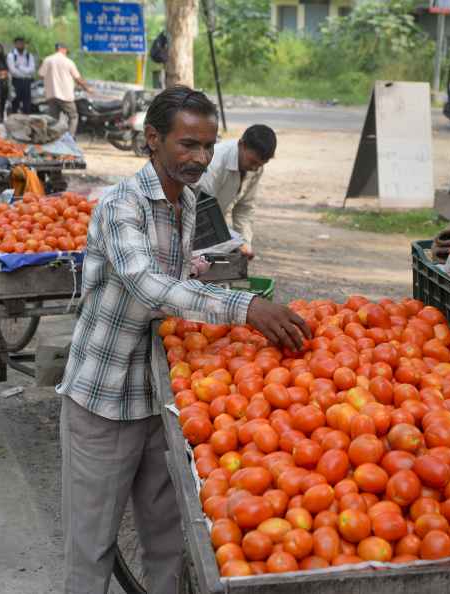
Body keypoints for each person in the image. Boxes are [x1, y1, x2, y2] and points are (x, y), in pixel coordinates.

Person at [56, 86, 309, 594]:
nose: (199, 158)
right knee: (93, 546)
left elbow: (173, 275)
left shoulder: (188, 200)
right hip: (105, 397)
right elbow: (148, 286)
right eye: (187, 145)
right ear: (153, 139)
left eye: (208, 146)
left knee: (169, 537)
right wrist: (244, 307)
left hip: (161, 396)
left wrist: (210, 267)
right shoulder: (121, 205)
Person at [193, 124, 277, 258]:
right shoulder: (214, 161)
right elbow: (203, 211)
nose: (255, 169)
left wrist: (245, 244)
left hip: (213, 225)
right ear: (241, 144)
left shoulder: (255, 168)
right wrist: (234, 243)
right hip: (192, 222)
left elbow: (244, 208)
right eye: (252, 161)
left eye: (260, 165)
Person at [38, 42, 91, 137]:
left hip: (52, 95)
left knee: (53, 119)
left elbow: (41, 75)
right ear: (63, 49)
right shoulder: (69, 62)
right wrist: (87, 89)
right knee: (73, 116)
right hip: (65, 96)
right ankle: (70, 138)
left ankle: (53, 139)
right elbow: (78, 79)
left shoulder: (47, 60)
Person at [7, 36, 36, 115]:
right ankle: (14, 120)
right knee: (15, 102)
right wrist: (25, 71)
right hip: (16, 82)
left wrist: (19, 67)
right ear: (15, 44)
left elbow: (32, 70)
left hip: (27, 82)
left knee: (27, 103)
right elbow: (13, 71)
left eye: (22, 43)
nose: (20, 45)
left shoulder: (29, 56)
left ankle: (26, 120)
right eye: (18, 43)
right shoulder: (11, 55)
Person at [0, 42, 10, 123]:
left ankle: (1, 116)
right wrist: (0, 73)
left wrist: (4, 74)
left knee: (3, 101)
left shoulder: (4, 58)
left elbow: (8, 69)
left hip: (4, 83)